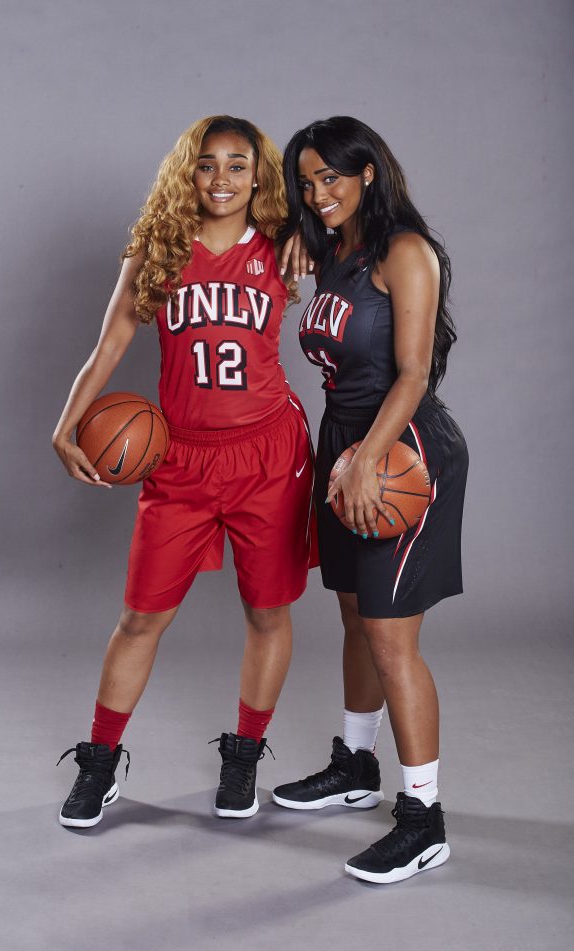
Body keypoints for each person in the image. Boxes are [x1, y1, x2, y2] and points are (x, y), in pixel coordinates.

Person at [53, 115, 314, 828]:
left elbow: (363, 231)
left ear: (260, 174)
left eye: (238, 164)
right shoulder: (160, 251)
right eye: (207, 165)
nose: (222, 178)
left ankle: (243, 755)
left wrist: (307, 234)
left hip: (268, 452)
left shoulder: (288, 246)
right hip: (183, 456)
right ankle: (100, 763)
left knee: (267, 611)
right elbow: (109, 343)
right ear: (186, 174)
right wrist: (66, 420)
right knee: (140, 617)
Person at [272, 116, 468, 884]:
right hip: (342, 444)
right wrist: (296, 227)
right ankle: (355, 765)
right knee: (354, 614)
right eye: (308, 182)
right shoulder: (334, 249)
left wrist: (366, 461)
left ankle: (423, 819)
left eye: (333, 178)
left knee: (391, 638)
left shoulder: (403, 252)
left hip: (402, 451)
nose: (320, 194)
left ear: (370, 175)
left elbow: (415, 372)